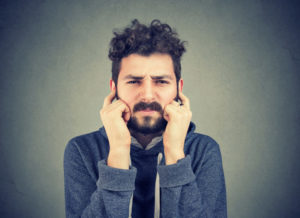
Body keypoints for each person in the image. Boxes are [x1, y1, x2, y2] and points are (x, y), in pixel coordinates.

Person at [64, 19, 227, 218]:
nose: (148, 95)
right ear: (114, 89)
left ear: (179, 89)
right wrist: (118, 151)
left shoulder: (204, 150)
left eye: (161, 81)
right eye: (133, 81)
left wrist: (175, 152)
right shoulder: (82, 150)